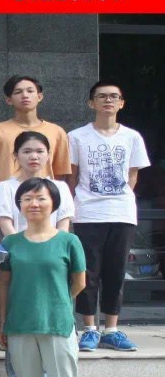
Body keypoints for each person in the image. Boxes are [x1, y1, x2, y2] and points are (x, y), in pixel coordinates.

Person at [0, 177, 86, 377]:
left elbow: (78, 282)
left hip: (57, 324)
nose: (34, 204)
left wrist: (56, 302)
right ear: (19, 205)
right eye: (27, 199)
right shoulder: (10, 243)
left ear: (54, 203)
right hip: (20, 325)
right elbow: (4, 284)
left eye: (41, 198)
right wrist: (2, 320)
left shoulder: (69, 241)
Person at [69, 81, 150, 352]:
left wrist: (117, 199)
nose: (108, 100)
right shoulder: (77, 137)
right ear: (91, 103)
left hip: (122, 213)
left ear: (121, 103)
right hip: (87, 213)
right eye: (102, 96)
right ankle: (89, 328)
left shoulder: (132, 137)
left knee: (116, 272)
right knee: (88, 272)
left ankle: (112, 329)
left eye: (114, 96)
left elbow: (133, 176)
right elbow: (72, 176)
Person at [0, 131, 75, 377]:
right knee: (15, 311)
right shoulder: (6, 187)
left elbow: (64, 224)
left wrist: (51, 249)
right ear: (15, 155)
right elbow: (5, 222)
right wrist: (22, 249)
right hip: (18, 257)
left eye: (39, 151)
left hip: (52, 258)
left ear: (49, 155)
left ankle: (49, 374)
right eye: (26, 151)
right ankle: (17, 374)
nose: (33, 156)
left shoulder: (60, 188)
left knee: (51, 310)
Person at [0, 75, 71, 187]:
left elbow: (61, 173)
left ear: (39, 96)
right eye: (18, 92)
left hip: (45, 194)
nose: (25, 95)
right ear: (9, 100)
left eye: (30, 91)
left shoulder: (57, 132)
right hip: (7, 195)